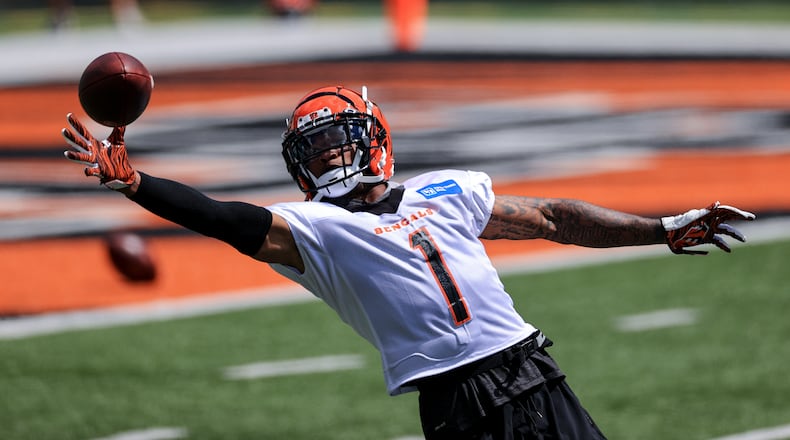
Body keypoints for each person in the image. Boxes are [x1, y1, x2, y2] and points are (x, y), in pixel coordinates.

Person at [62, 85, 755, 439]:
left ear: (372, 142)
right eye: (315, 151)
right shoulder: (317, 232)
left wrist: (661, 228)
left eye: (337, 143)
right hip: (459, 400)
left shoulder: (445, 189)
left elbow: (555, 217)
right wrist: (137, 184)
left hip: (535, 371)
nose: (328, 159)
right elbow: (225, 219)